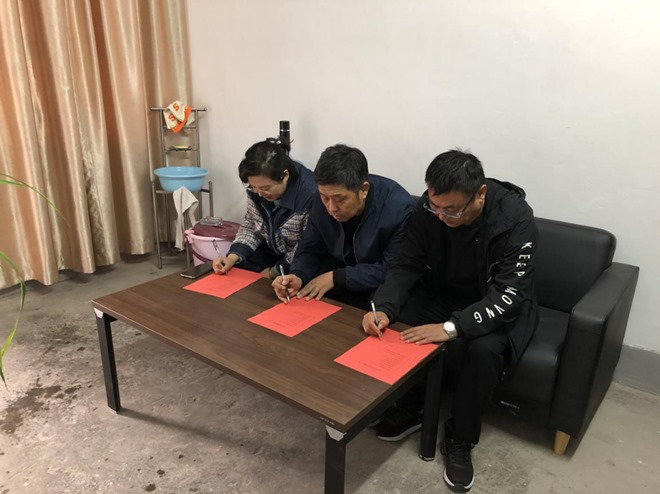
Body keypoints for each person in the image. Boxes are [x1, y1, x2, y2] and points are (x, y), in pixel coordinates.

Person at [362, 149, 538, 492]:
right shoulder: (427, 209)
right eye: (436, 207)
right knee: (401, 324)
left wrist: (452, 327)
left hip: (497, 302)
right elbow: (407, 263)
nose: (442, 216)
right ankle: (415, 404)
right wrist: (383, 308)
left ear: (480, 194)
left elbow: (510, 294)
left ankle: (461, 439)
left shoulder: (515, 219)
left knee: (483, 351)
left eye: (453, 210)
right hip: (443, 292)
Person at [272, 144, 415, 310]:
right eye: (325, 198)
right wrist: (298, 275)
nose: (331, 208)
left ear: (364, 190)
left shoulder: (399, 209)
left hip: (376, 285)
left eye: (340, 199)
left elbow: (393, 269)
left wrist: (337, 277)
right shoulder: (321, 200)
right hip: (340, 274)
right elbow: (309, 247)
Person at [213, 139, 316, 278]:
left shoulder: (309, 196)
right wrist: (232, 258)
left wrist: (273, 272)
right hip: (271, 251)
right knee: (235, 270)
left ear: (285, 176)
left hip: (301, 259)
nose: (260, 194)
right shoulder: (256, 190)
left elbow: (307, 248)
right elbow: (252, 226)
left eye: (266, 188)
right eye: (254, 187)